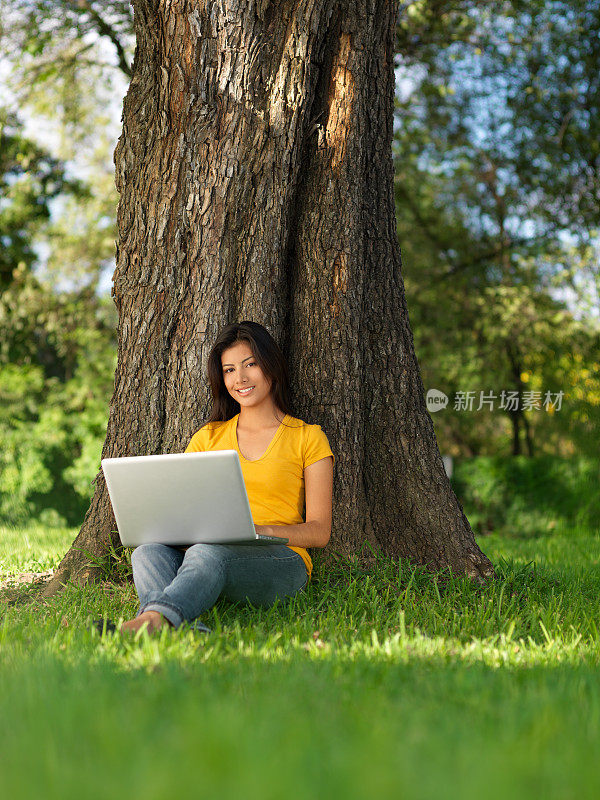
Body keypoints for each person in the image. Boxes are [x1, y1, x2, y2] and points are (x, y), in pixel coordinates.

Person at [114, 320, 335, 636]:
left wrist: (258, 532)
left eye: (250, 364)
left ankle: (151, 621)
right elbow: (184, 509)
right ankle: (180, 628)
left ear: (271, 367)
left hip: (282, 563)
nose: (240, 378)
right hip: (207, 555)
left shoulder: (308, 437)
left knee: (208, 552)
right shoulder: (208, 437)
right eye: (229, 370)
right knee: (148, 551)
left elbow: (319, 532)